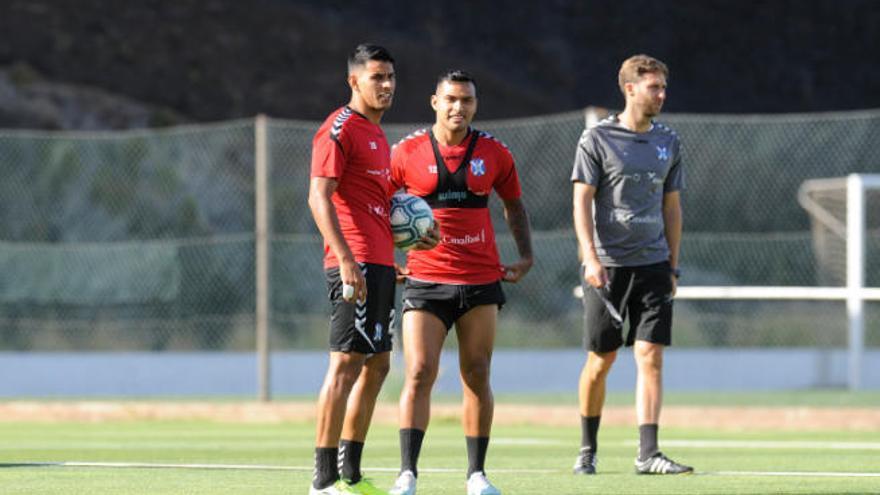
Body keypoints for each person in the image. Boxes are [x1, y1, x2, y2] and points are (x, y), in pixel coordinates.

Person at [387, 70, 533, 495]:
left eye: (467, 100)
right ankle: (407, 473)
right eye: (451, 99)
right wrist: (384, 257)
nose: (459, 107)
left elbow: (514, 205)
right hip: (425, 280)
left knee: (477, 373)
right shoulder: (407, 152)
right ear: (435, 102)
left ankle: (476, 475)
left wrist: (525, 256)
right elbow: (378, 205)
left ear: (475, 104)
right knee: (418, 372)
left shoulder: (494, 152)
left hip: (480, 280)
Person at [308, 43, 437, 495]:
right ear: (354, 81)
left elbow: (375, 206)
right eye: (377, 77)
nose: (386, 86)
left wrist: (399, 252)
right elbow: (318, 197)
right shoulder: (339, 129)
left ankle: (351, 474)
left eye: (391, 78)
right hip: (354, 263)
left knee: (378, 365)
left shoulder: (377, 135)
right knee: (345, 364)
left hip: (378, 264)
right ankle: (322, 482)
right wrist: (347, 260)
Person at [570, 54, 692, 476]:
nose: (661, 94)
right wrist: (589, 256)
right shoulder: (597, 140)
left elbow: (672, 207)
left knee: (650, 355)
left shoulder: (669, 142)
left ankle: (649, 453)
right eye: (654, 87)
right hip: (607, 267)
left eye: (663, 87)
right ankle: (587, 448)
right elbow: (581, 200)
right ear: (629, 89)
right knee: (602, 360)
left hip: (655, 263)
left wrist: (673, 265)